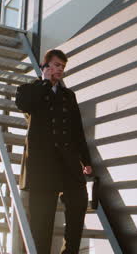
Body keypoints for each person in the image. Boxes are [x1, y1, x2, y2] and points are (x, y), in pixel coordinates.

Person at [15, 49, 93, 254]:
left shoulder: (69, 96)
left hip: (68, 163)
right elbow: (24, 105)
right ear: (46, 66)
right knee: (41, 224)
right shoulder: (29, 89)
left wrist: (86, 160)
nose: (60, 70)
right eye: (57, 65)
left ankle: (70, 252)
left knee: (79, 200)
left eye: (63, 67)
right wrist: (45, 83)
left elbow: (77, 130)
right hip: (42, 167)